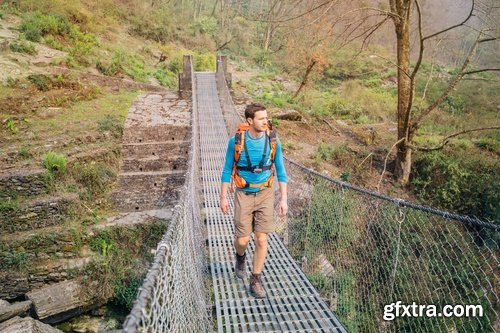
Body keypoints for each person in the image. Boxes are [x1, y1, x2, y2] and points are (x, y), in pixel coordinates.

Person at [220, 103, 288, 298]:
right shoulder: (235, 142)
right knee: (242, 240)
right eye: (261, 118)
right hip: (243, 193)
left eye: (266, 117)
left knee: (261, 238)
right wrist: (223, 197)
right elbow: (226, 170)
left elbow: (281, 172)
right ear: (250, 121)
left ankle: (255, 279)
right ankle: (240, 257)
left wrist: (283, 199)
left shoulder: (274, 141)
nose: (265, 121)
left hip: (266, 193)